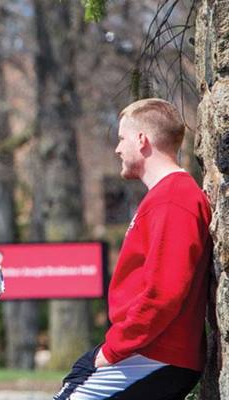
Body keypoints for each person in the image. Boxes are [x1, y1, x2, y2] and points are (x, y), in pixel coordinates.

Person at [54, 98, 212, 400]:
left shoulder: (174, 198)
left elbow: (163, 294)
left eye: (121, 138)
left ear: (142, 140)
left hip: (155, 354)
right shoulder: (164, 197)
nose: (117, 149)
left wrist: (111, 351)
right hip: (145, 352)